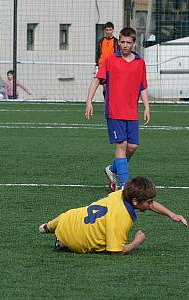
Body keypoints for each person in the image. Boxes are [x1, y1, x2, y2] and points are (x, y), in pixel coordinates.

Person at [39, 176, 188, 254]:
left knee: (69, 214)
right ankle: (63, 241)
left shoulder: (121, 193)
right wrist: (137, 241)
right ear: (135, 201)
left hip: (70, 219)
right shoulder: (121, 218)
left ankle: (47, 227)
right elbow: (115, 251)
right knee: (88, 240)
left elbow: (149, 204)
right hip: (75, 242)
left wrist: (172, 215)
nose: (151, 205)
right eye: (149, 202)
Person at [85, 27, 150, 191]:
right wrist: (89, 102)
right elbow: (96, 81)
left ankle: (112, 169)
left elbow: (142, 87)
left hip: (132, 112)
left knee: (132, 146)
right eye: (122, 42)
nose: (125, 45)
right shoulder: (110, 60)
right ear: (118, 42)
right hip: (114, 111)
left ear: (134, 43)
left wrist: (147, 107)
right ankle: (123, 185)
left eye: (129, 42)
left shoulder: (140, 62)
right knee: (121, 145)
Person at [95, 22, 119, 98]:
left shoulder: (116, 42)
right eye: (107, 30)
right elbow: (98, 53)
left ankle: (112, 104)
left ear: (113, 30)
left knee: (112, 87)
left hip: (112, 67)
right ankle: (106, 104)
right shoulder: (101, 41)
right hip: (103, 67)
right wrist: (97, 65)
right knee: (105, 87)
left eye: (110, 30)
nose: (108, 31)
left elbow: (118, 54)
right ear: (104, 31)